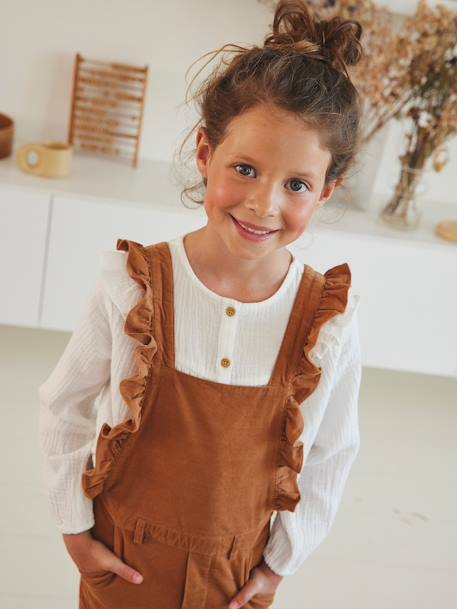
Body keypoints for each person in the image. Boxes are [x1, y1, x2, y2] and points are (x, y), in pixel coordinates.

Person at [37, 1, 364, 607]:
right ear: (204, 152)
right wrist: (75, 531)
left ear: (326, 191)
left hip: (237, 584)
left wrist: (279, 566)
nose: (264, 203)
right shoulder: (134, 283)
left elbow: (331, 455)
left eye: (296, 184)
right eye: (245, 168)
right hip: (122, 567)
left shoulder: (328, 323)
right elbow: (64, 407)